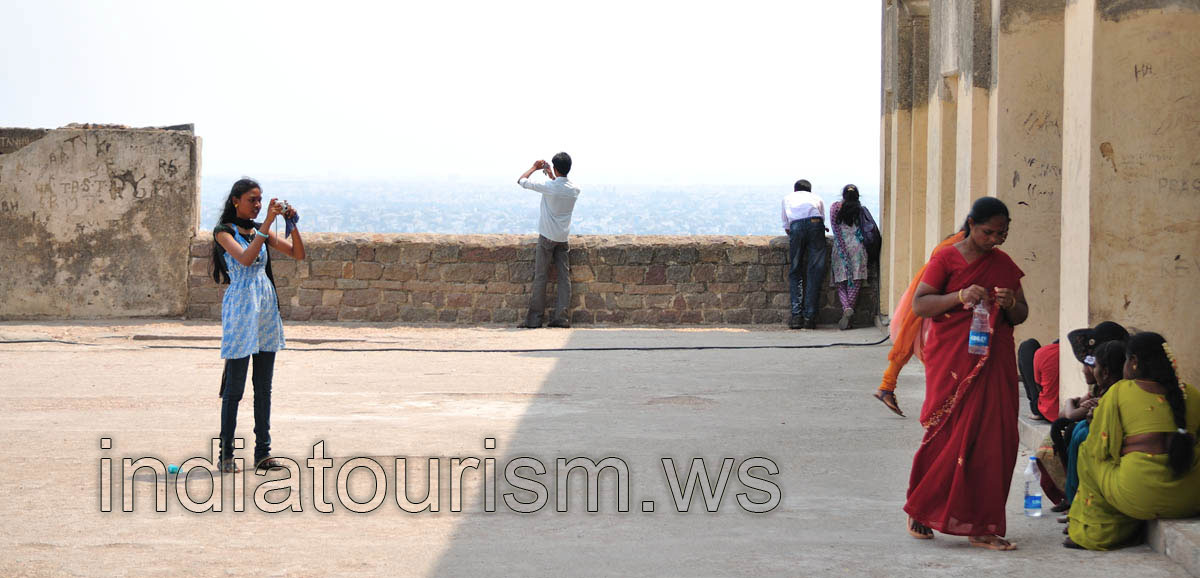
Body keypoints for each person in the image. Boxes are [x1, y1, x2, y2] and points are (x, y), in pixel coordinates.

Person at [903, 197, 1028, 551]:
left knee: (993, 441)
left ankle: (982, 525)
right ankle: (922, 508)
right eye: (989, 232)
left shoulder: (1004, 264)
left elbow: (1022, 313)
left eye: (1002, 234)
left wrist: (1010, 303)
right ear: (971, 224)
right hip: (954, 359)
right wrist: (959, 296)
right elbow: (921, 304)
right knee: (946, 434)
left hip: (994, 361)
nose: (995, 240)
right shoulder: (946, 258)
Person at [1066, 332, 1200, 550]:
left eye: (1127, 360)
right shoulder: (1192, 393)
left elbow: (1100, 448)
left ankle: (1098, 530)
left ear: (1134, 362)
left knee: (1088, 452)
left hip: (1139, 496)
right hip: (1191, 498)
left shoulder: (1120, 392)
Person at [210, 178, 305, 473]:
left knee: (263, 387)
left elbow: (298, 253)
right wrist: (267, 223)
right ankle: (226, 454)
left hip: (264, 309)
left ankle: (263, 453)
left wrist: (291, 223)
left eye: (260, 200)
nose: (258, 205)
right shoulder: (224, 232)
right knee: (234, 388)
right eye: (252, 200)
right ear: (236, 200)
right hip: (241, 309)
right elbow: (246, 258)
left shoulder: (257, 231)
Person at [873, 230, 966, 417]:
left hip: (933, 297)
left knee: (913, 340)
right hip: (931, 296)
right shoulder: (958, 245)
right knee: (918, 342)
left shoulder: (960, 242)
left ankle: (887, 386)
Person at [516, 152, 580, 329]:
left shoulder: (549, 187)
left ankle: (534, 320)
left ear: (556, 168)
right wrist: (552, 175)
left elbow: (521, 181)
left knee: (541, 277)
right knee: (564, 278)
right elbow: (558, 188)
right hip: (563, 238)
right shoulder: (575, 189)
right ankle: (562, 318)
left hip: (546, 237)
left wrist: (535, 167)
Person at [781, 179, 827, 329]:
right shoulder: (817, 198)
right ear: (810, 190)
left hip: (797, 225)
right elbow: (821, 219)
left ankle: (796, 317)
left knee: (796, 271)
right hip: (816, 223)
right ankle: (809, 318)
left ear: (795, 190)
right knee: (815, 272)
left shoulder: (788, 198)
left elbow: (786, 226)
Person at [829, 184, 869, 330]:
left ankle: (846, 308)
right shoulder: (860, 210)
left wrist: (842, 248)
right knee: (855, 283)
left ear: (843, 195)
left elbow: (835, 229)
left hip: (841, 248)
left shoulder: (835, 208)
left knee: (841, 283)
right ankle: (848, 316)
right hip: (857, 248)